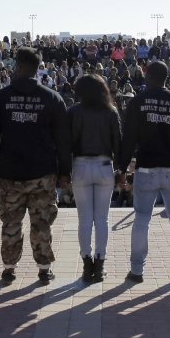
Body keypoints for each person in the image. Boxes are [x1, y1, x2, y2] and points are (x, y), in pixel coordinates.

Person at [0, 47, 71, 285]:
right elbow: (63, 140)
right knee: (41, 222)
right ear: (37, 68)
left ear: (18, 67)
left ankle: (9, 269)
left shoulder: (0, 98)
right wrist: (65, 172)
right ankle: (44, 269)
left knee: (11, 221)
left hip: (10, 173)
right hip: (43, 173)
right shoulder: (52, 98)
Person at [117, 59, 170, 283]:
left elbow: (129, 139)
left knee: (142, 219)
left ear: (150, 77)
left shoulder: (137, 102)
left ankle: (137, 270)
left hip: (146, 169)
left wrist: (122, 168)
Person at [66, 73, 122, 283]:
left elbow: (66, 144)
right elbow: (118, 142)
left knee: (84, 220)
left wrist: (64, 171)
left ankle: (86, 263)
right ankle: (100, 264)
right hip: (104, 165)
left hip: (80, 165)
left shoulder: (73, 111)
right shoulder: (110, 111)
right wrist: (122, 169)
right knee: (102, 219)